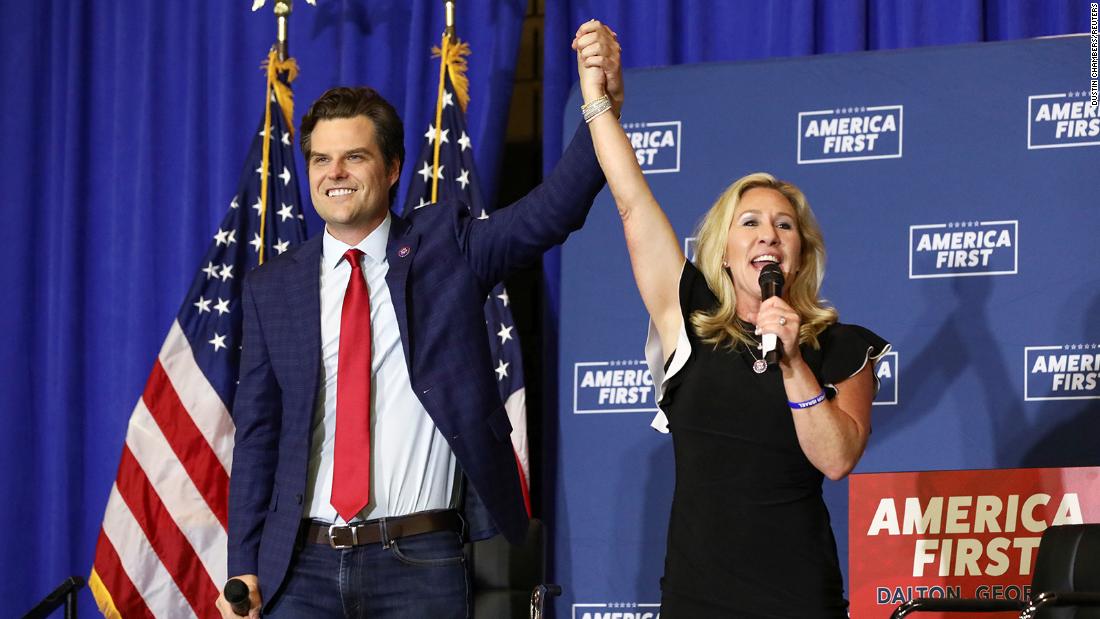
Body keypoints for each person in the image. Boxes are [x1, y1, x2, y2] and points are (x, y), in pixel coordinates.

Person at [216, 45, 622, 619]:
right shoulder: (272, 286)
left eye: (354, 157)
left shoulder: (446, 248)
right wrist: (243, 563)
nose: (335, 173)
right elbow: (258, 435)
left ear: (392, 168)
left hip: (418, 563)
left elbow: (550, 211)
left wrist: (601, 108)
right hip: (301, 569)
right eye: (321, 159)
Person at [573, 20, 890, 617]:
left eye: (784, 226)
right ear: (721, 250)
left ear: (801, 254)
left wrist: (793, 364)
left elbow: (837, 459)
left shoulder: (843, 348)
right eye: (751, 223)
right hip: (697, 602)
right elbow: (632, 201)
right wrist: (599, 102)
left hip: (800, 603)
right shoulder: (687, 320)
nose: (768, 234)